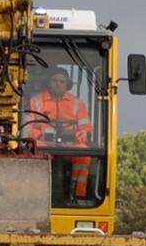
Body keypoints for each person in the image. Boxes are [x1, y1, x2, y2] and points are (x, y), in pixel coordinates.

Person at [24, 67, 94, 198]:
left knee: (84, 154)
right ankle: (35, 194)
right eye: (54, 80)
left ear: (67, 84)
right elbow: (27, 129)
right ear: (48, 82)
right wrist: (40, 135)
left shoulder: (77, 103)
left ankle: (77, 194)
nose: (58, 84)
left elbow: (86, 129)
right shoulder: (35, 101)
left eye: (62, 81)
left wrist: (75, 137)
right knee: (33, 152)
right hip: (44, 144)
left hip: (70, 145)